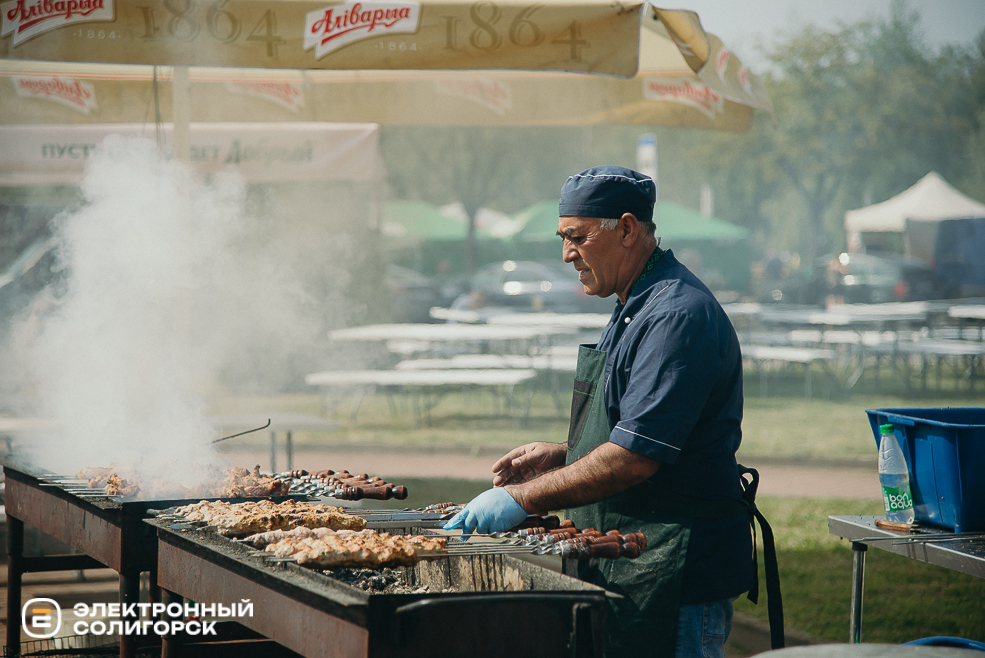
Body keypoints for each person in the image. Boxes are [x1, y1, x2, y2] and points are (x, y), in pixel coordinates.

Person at [445, 165, 756, 657]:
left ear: (628, 230)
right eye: (562, 237)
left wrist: (523, 499)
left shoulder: (675, 315)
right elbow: (643, 427)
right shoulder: (634, 302)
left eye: (577, 237)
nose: (566, 254)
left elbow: (636, 456)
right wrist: (567, 452)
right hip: (634, 566)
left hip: (674, 576)